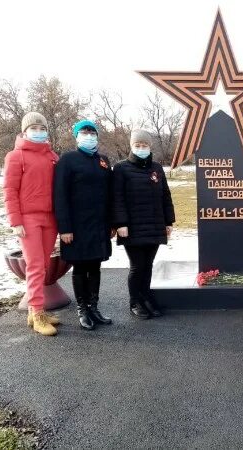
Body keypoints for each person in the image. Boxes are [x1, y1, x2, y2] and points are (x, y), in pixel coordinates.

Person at [3, 112, 60, 336]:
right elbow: (9, 189)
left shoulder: (52, 156)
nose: (38, 132)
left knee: (43, 265)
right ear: (24, 131)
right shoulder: (15, 156)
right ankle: (37, 312)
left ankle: (37, 310)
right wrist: (15, 220)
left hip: (50, 218)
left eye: (41, 128)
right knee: (35, 265)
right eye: (33, 128)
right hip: (28, 219)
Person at [54, 119, 114, 331]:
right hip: (76, 226)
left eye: (92, 132)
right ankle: (83, 310)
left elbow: (110, 194)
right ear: (77, 136)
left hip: (99, 224)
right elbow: (60, 195)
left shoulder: (103, 161)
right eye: (84, 132)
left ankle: (93, 307)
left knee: (95, 266)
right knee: (80, 267)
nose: (89, 135)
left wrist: (112, 223)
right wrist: (65, 228)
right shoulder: (68, 160)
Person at [112, 129, 175, 319]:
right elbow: (117, 198)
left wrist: (168, 221)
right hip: (132, 227)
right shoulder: (121, 168)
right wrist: (120, 223)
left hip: (154, 225)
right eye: (137, 145)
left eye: (144, 145)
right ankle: (135, 301)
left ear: (150, 147)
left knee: (148, 265)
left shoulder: (156, 168)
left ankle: (146, 297)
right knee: (137, 266)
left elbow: (165, 195)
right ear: (131, 146)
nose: (141, 148)